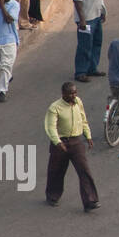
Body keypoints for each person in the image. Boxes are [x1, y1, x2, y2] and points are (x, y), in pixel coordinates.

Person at [44, 81, 99, 211]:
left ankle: (90, 201)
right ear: (63, 94)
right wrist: (58, 142)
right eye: (70, 94)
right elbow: (50, 127)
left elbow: (83, 120)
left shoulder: (78, 102)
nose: (73, 96)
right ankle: (52, 196)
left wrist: (88, 136)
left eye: (75, 93)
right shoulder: (55, 108)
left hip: (76, 142)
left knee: (84, 171)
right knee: (56, 171)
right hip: (60, 143)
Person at [72, 0, 105, 82]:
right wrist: (82, 20)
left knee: (96, 43)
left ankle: (92, 68)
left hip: (96, 16)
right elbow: (77, 0)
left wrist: (103, 10)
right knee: (84, 46)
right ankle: (80, 72)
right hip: (87, 19)